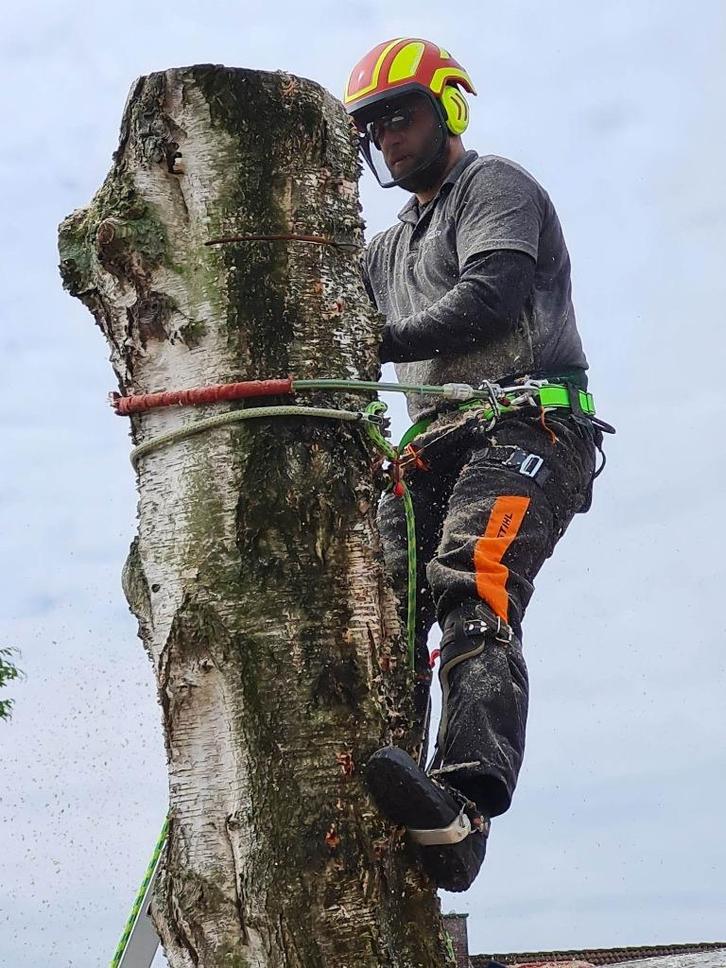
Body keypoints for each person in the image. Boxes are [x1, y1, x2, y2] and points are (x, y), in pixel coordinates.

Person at [343, 38, 611, 892]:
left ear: (447, 109)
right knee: (374, 608)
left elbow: (490, 296)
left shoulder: (495, 188)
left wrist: (376, 341)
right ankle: (392, 782)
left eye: (403, 115)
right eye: (375, 127)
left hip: (528, 423)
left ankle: (465, 809)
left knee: (473, 575)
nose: (390, 138)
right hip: (430, 449)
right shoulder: (385, 251)